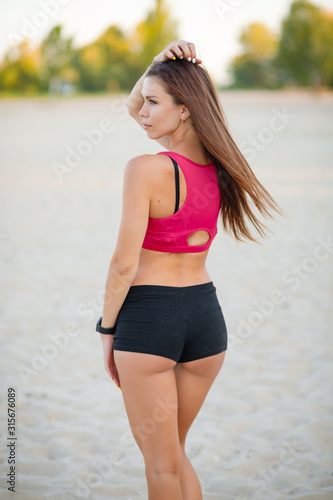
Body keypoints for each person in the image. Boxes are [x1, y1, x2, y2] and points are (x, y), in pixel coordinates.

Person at [96, 40, 281, 500]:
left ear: (183, 111)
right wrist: (159, 60)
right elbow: (135, 103)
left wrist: (106, 329)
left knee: (160, 468)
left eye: (154, 102)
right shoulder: (221, 168)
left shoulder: (145, 169)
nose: (141, 110)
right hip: (206, 324)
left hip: (149, 323)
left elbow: (123, 266)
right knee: (174, 454)